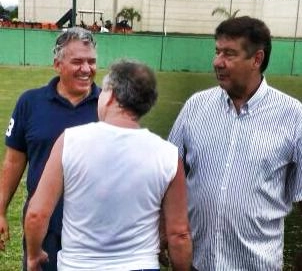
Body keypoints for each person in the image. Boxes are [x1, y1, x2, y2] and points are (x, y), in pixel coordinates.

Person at [24, 59, 192, 271]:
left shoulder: (70, 141)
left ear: (111, 95)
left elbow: (37, 213)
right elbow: (179, 233)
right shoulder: (167, 155)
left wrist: (34, 254)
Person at [168, 16, 302, 270]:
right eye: (217, 52)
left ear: (257, 59)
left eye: (229, 54)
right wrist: (166, 233)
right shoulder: (196, 106)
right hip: (198, 264)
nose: (218, 61)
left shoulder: (293, 116)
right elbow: (167, 176)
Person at [0, 26, 100, 270]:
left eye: (91, 61)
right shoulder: (30, 102)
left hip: (94, 229)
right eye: (77, 62)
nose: (86, 69)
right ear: (57, 64)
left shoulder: (109, 105)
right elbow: (13, 161)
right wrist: (1, 210)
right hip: (42, 225)